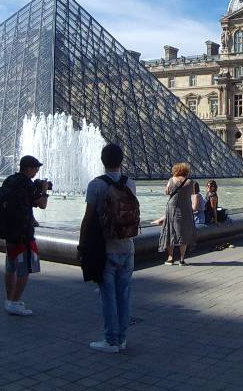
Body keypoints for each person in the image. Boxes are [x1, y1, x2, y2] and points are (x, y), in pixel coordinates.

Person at [80, 144, 138, 353]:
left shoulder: (96, 185)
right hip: (128, 246)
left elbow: (88, 219)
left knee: (108, 296)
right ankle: (122, 338)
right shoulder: (129, 183)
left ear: (102, 161)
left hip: (106, 248)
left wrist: (82, 244)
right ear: (121, 161)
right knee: (124, 294)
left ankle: (111, 340)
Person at [1, 155, 49, 317]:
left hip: (8, 231)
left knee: (10, 266)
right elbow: (42, 204)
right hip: (23, 233)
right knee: (25, 269)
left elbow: (22, 204)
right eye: (35, 168)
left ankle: (9, 299)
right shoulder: (27, 184)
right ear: (27, 168)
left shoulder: (9, 180)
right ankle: (15, 302)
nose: (36, 171)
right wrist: (43, 190)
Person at [158, 163, 195, 266]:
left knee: (170, 231)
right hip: (186, 209)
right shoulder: (190, 181)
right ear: (186, 171)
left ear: (175, 170)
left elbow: (167, 192)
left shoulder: (171, 180)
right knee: (184, 232)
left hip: (172, 208)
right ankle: (182, 259)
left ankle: (170, 258)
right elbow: (191, 193)